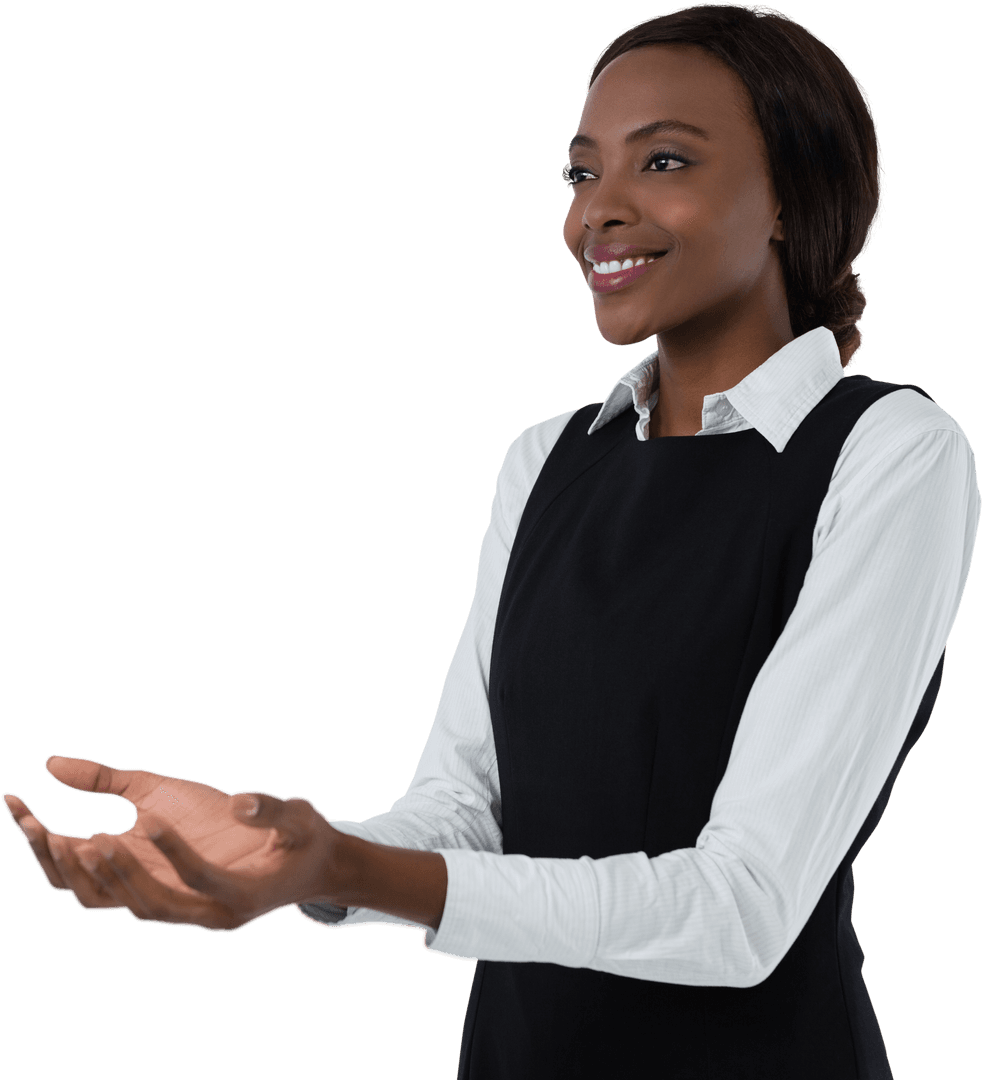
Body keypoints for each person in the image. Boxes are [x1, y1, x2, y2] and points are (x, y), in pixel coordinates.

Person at [4, 4, 979, 1077]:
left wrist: (361, 872)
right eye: (578, 175)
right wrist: (303, 863)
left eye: (661, 161)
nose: (599, 212)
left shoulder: (888, 452)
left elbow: (742, 906)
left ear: (792, 193)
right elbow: (466, 809)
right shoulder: (546, 460)